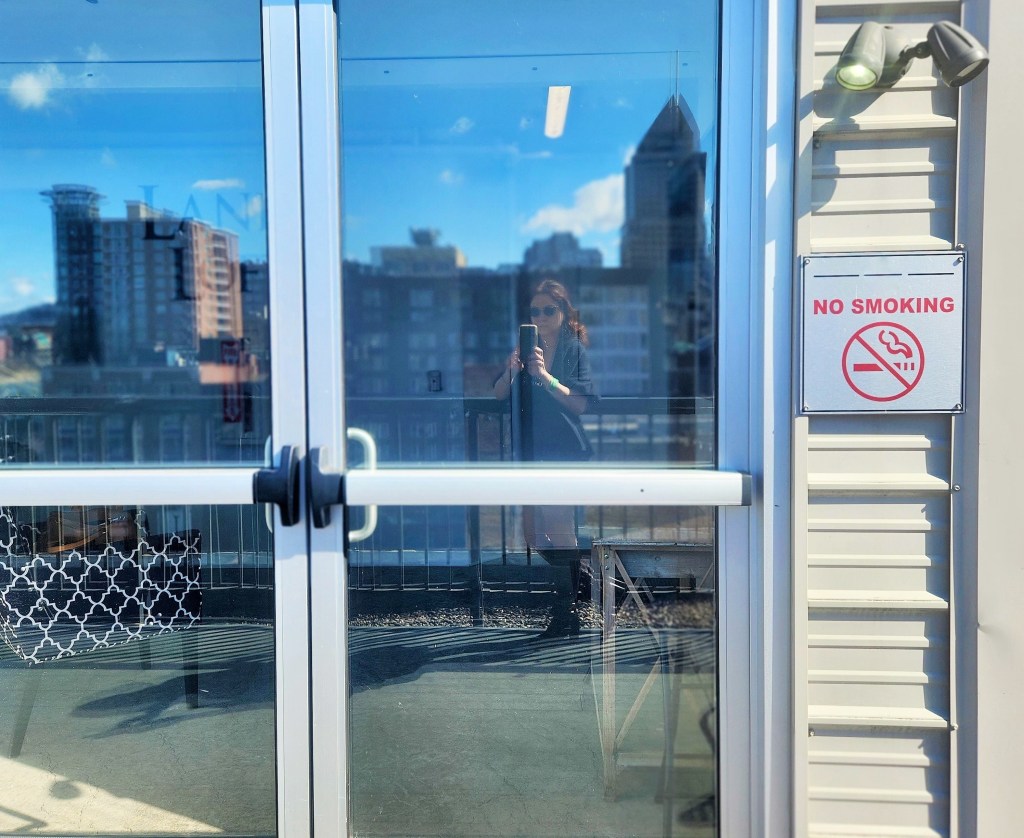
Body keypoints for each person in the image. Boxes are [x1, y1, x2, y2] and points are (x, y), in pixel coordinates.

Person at [494, 279, 598, 638]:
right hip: (530, 451)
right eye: (534, 311)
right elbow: (497, 394)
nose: (540, 316)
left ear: (563, 312)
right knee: (532, 534)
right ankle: (582, 581)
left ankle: (567, 613)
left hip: (563, 450)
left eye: (548, 310)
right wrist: (513, 370)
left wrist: (543, 376)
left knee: (558, 528)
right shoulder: (526, 348)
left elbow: (580, 403)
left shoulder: (573, 350)